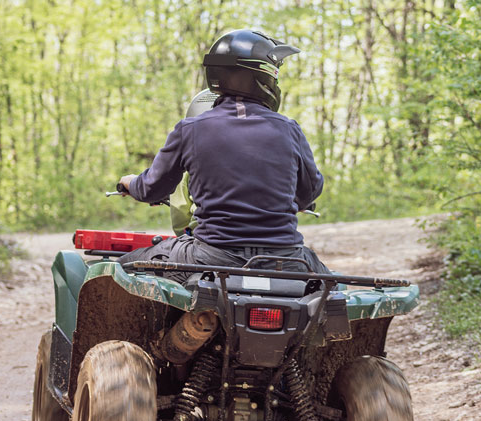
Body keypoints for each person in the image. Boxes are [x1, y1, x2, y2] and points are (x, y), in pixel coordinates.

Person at [117, 29, 328, 283]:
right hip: (285, 261)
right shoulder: (289, 129)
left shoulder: (191, 128)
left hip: (211, 257)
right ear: (263, 77)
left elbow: (152, 187)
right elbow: (309, 192)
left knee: (121, 269)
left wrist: (129, 182)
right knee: (332, 288)